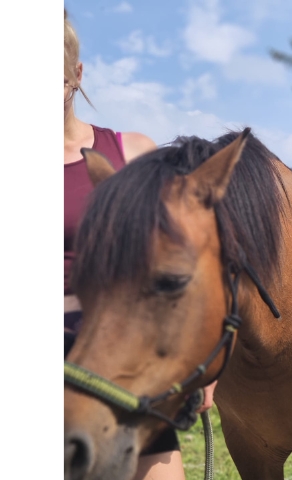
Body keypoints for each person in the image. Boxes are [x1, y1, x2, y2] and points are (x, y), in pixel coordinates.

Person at [64, 10, 214, 479]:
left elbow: (189, 255)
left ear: (76, 74)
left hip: (121, 355)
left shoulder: (131, 153)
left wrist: (205, 360)